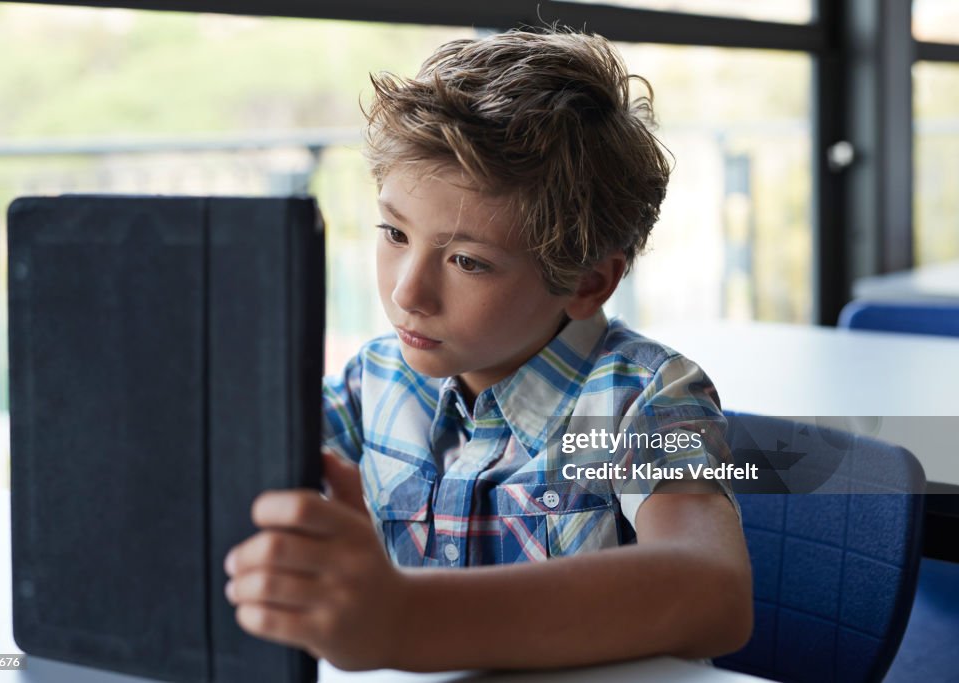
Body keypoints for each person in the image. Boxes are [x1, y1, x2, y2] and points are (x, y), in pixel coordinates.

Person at [222, 27, 753, 673]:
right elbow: (225, 468)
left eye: (468, 261)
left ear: (588, 282)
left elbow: (713, 591)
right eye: (394, 232)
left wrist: (406, 618)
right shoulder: (375, 379)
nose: (406, 291)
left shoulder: (646, 398)